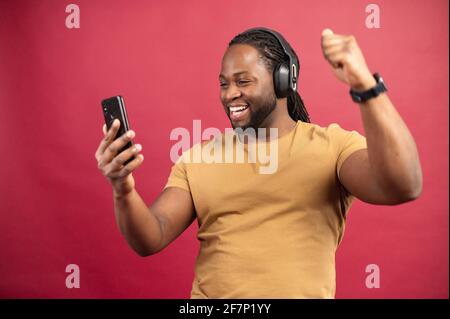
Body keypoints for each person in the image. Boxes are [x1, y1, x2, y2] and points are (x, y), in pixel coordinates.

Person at [94, 27, 423, 298]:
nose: (229, 94)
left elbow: (404, 185)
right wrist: (123, 188)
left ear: (284, 80)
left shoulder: (333, 147)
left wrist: (365, 85)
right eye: (224, 83)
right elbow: (150, 237)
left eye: (243, 81)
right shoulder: (198, 158)